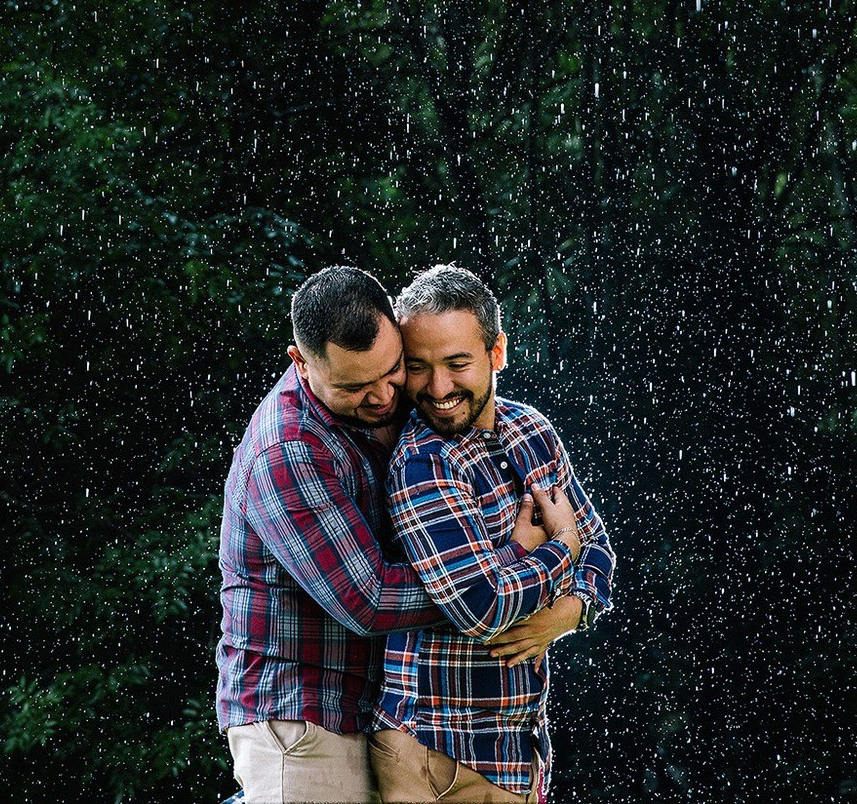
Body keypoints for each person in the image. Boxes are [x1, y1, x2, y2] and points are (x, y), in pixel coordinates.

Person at [372, 264, 614, 804]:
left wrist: (571, 611)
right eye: (418, 367)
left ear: (496, 353)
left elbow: (598, 545)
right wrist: (560, 548)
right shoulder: (423, 461)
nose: (438, 388)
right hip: (433, 750)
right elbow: (480, 607)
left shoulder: (532, 430)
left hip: (517, 747)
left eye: (457, 364)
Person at [216, 266, 446, 803]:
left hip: (385, 713)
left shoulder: (417, 397)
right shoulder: (288, 449)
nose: (382, 395)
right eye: (353, 387)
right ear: (300, 362)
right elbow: (369, 600)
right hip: (299, 719)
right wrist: (498, 587)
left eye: (391, 370)